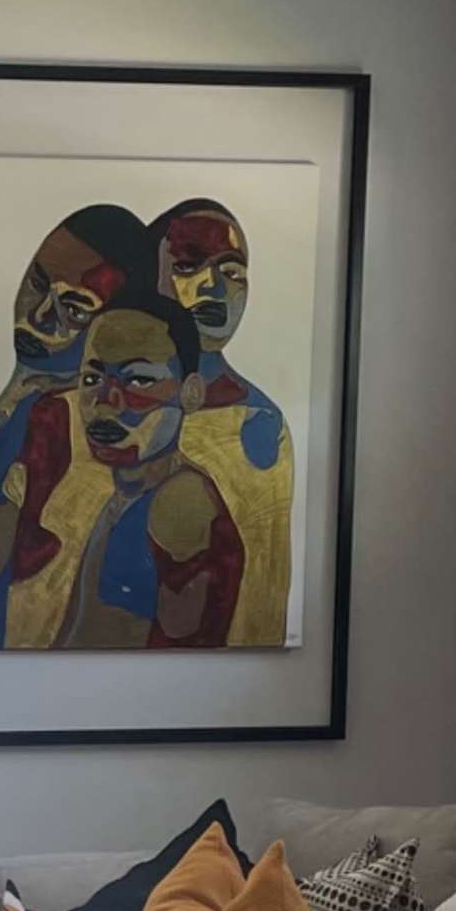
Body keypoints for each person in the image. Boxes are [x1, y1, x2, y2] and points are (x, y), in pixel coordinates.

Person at [3, 293, 266, 650]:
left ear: (190, 393)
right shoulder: (131, 493)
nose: (107, 402)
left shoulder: (180, 500)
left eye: (139, 380)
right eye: (93, 379)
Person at [0, 205, 150, 649]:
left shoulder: (58, 424)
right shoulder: (18, 398)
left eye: (75, 309)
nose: (40, 316)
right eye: (37, 285)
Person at [152, 196, 291, 646]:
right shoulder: (100, 411)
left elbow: (264, 593)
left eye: (232, 273)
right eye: (188, 267)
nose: (214, 288)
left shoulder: (260, 422)